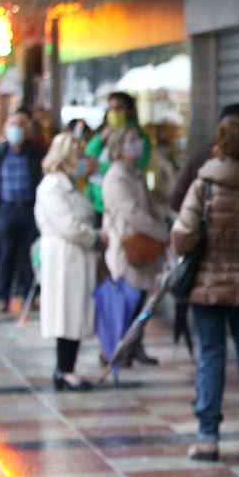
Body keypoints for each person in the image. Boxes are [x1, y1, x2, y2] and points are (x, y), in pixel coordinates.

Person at [172, 117, 239, 463]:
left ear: (221, 146)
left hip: (208, 285)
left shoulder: (204, 187)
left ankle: (208, 438)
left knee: (211, 355)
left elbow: (182, 237)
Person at [36, 133, 102, 390]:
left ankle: (67, 368)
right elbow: (68, 225)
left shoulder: (71, 184)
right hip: (65, 257)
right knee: (66, 314)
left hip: (76, 256)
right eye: (80, 156)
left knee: (74, 313)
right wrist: (94, 237)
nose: (85, 161)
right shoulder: (53, 186)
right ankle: (64, 369)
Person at [100, 123, 171, 365]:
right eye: (131, 140)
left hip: (143, 248)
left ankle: (135, 345)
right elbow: (132, 213)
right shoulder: (117, 176)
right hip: (127, 248)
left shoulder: (135, 173)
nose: (137, 144)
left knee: (141, 303)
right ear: (119, 148)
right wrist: (162, 232)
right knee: (126, 303)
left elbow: (148, 207)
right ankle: (117, 349)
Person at [0, 111, 44, 311]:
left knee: (29, 253)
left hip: (28, 207)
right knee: (6, 252)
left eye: (21, 125)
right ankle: (2, 295)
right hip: (7, 208)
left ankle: (29, 294)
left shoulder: (35, 152)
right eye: (13, 124)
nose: (17, 129)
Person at [84, 91, 150, 221]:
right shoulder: (104, 132)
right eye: (111, 108)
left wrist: (100, 167)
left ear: (130, 111)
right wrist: (101, 138)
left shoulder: (137, 137)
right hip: (95, 201)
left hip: (121, 201)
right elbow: (87, 155)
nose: (114, 112)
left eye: (119, 108)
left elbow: (135, 165)